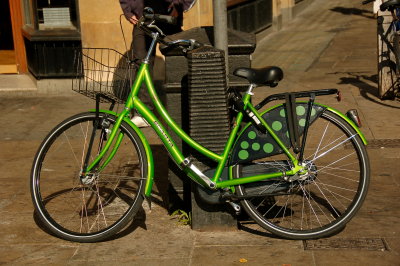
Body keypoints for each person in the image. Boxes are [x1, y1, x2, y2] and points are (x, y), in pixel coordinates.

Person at [119, 0, 194, 127]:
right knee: (141, 62)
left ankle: (183, 107)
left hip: (169, 15)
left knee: (179, 58)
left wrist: (180, 5)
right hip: (143, 17)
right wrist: (128, 10)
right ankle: (143, 113)